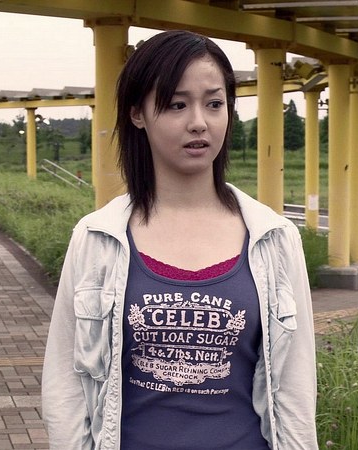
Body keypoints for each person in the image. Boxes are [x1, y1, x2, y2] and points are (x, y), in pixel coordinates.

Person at [41, 30, 317, 449]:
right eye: (176, 104)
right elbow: (65, 384)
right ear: (138, 114)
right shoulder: (97, 239)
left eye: (214, 104)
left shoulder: (274, 239)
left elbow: (295, 389)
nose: (199, 122)